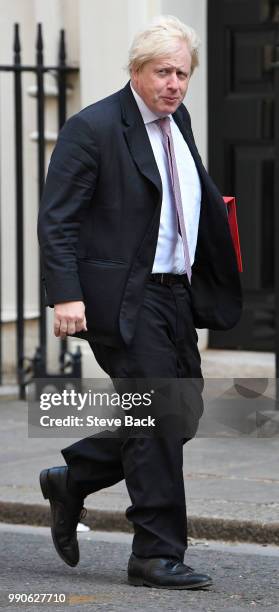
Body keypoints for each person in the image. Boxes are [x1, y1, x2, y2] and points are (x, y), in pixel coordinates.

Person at [37, 15, 242, 589]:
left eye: (182, 72)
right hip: (122, 299)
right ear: (136, 70)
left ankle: (73, 476)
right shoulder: (93, 127)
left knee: (182, 413)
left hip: (174, 294)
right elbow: (57, 222)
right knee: (155, 419)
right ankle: (154, 553)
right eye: (163, 72)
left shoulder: (181, 122)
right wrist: (66, 295)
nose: (174, 83)